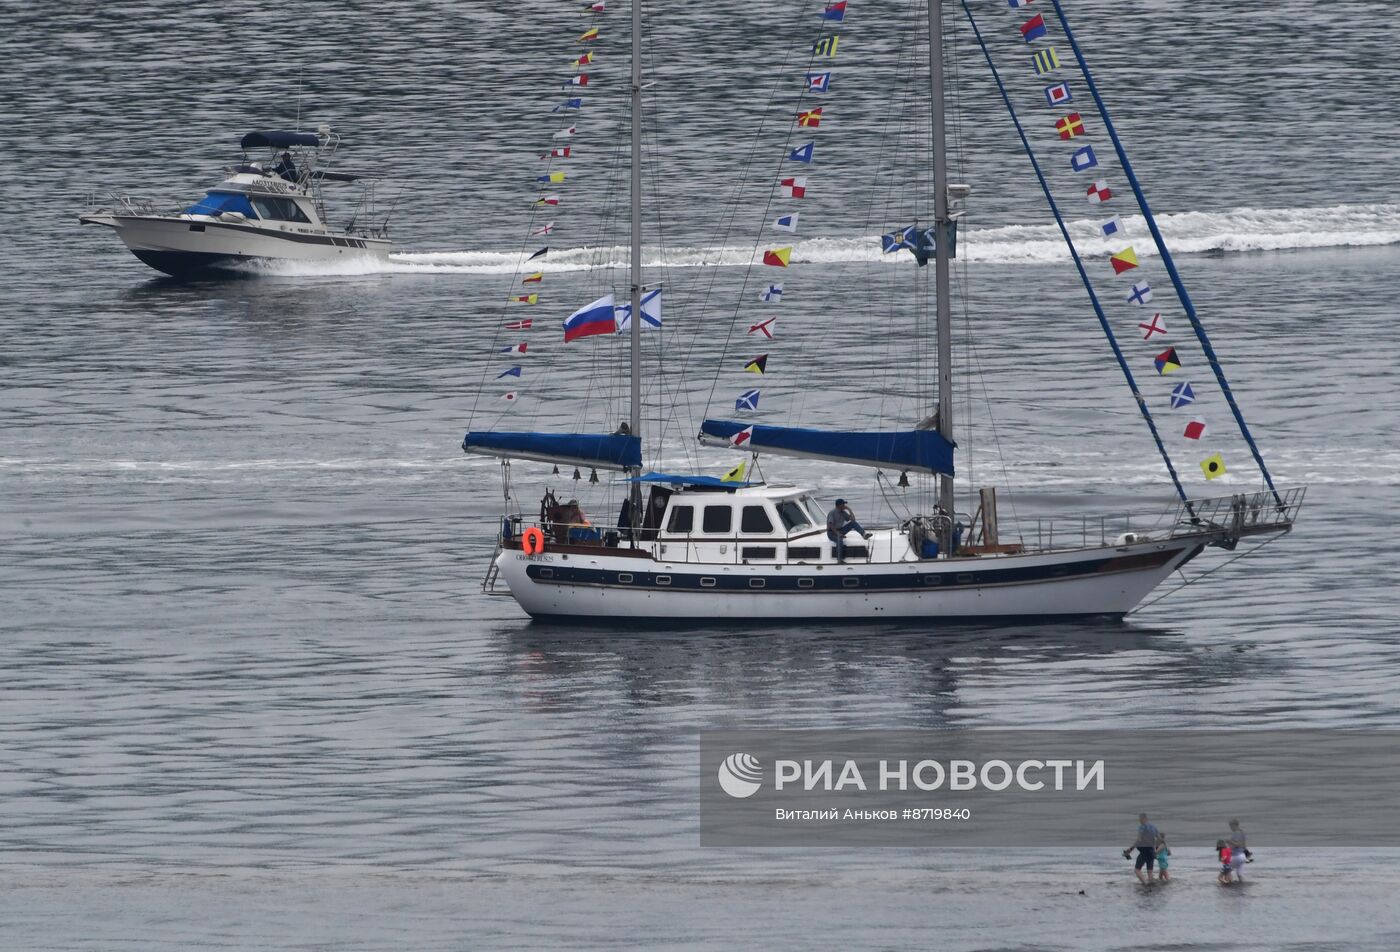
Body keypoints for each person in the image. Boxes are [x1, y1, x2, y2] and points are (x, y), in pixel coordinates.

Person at [826, 499, 871, 563]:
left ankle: (864, 534)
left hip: (840, 530)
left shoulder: (843, 512)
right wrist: (838, 534)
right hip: (832, 532)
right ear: (839, 505)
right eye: (843, 504)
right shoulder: (832, 512)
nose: (844, 506)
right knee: (839, 540)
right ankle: (839, 560)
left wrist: (849, 510)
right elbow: (830, 524)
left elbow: (853, 520)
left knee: (853, 524)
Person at [1122, 813, 1159, 884]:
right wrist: (1156, 851)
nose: (1139, 820)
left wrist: (1130, 849)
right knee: (1150, 871)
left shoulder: (1142, 827)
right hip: (1151, 851)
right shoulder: (1153, 827)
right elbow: (1159, 839)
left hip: (1144, 851)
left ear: (1144, 819)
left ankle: (1145, 884)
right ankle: (1151, 885)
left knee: (1137, 870)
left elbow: (1139, 840)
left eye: (1140, 819)